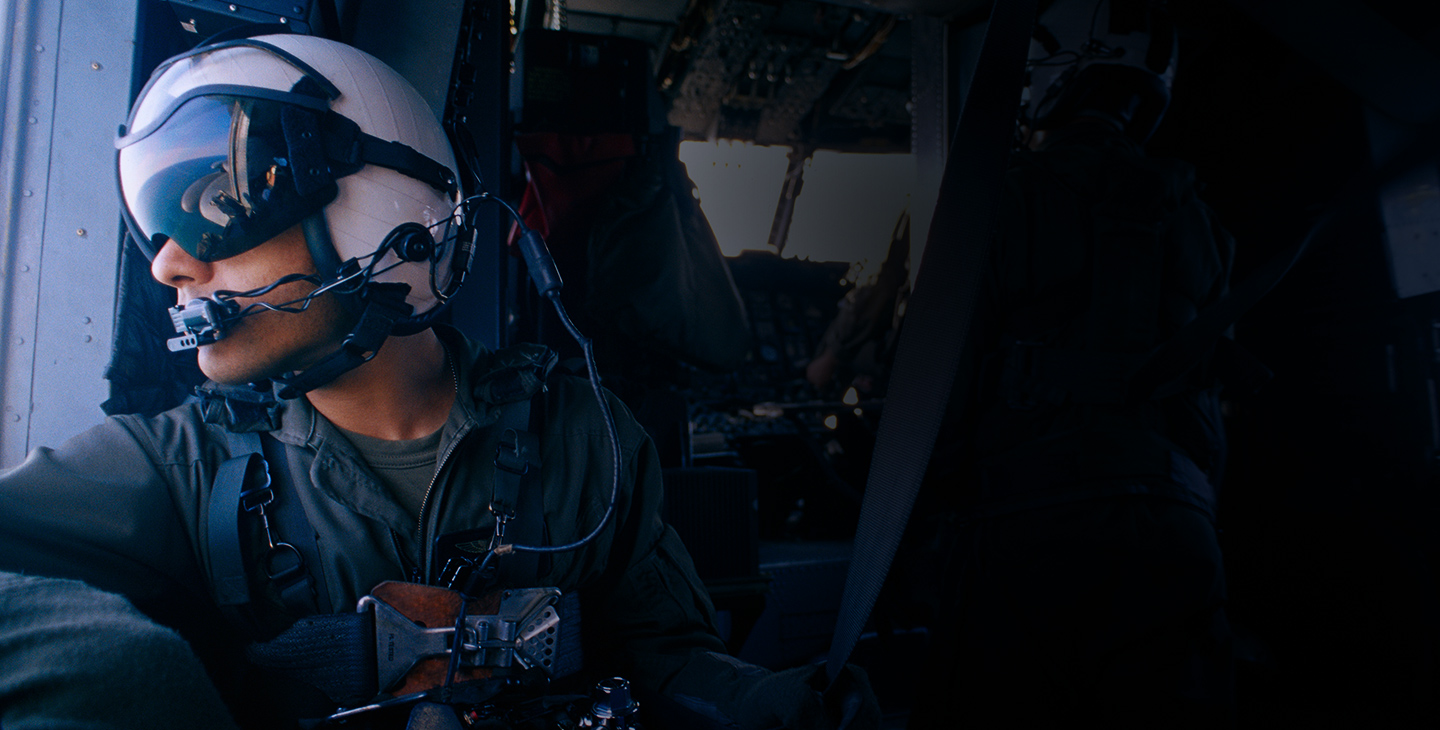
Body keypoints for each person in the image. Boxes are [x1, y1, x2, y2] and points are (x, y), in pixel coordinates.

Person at [0, 34, 875, 729]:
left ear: (375, 217)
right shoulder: (170, 468)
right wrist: (143, 670)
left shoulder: (583, 438)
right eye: (160, 224)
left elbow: (666, 654)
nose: (170, 264)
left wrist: (765, 704)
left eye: (219, 209)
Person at [905, 1, 1236, 726]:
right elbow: (1210, 412)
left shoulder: (1000, 198)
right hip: (1181, 525)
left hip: (1033, 525)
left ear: (1054, 77)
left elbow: (938, 401)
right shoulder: (1201, 223)